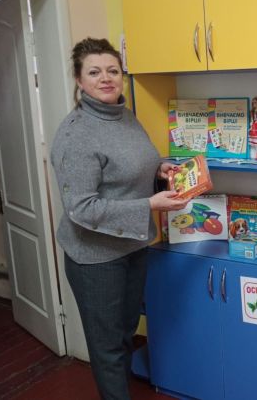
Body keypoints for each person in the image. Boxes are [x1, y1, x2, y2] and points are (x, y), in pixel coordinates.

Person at [50, 37, 189, 400]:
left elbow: (134, 163)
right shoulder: (76, 134)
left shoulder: (124, 115)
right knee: (108, 347)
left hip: (132, 245)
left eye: (113, 70)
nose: (106, 78)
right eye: (94, 72)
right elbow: (81, 208)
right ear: (79, 80)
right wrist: (150, 205)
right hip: (96, 258)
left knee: (126, 333)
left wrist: (160, 168)